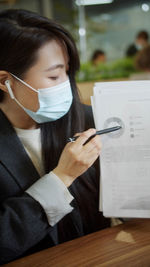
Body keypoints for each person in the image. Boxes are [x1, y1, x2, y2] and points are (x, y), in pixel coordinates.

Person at [0, 9, 110, 264]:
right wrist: (63, 177)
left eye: (67, 72)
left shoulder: (90, 120)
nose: (66, 85)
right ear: (5, 80)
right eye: (53, 76)